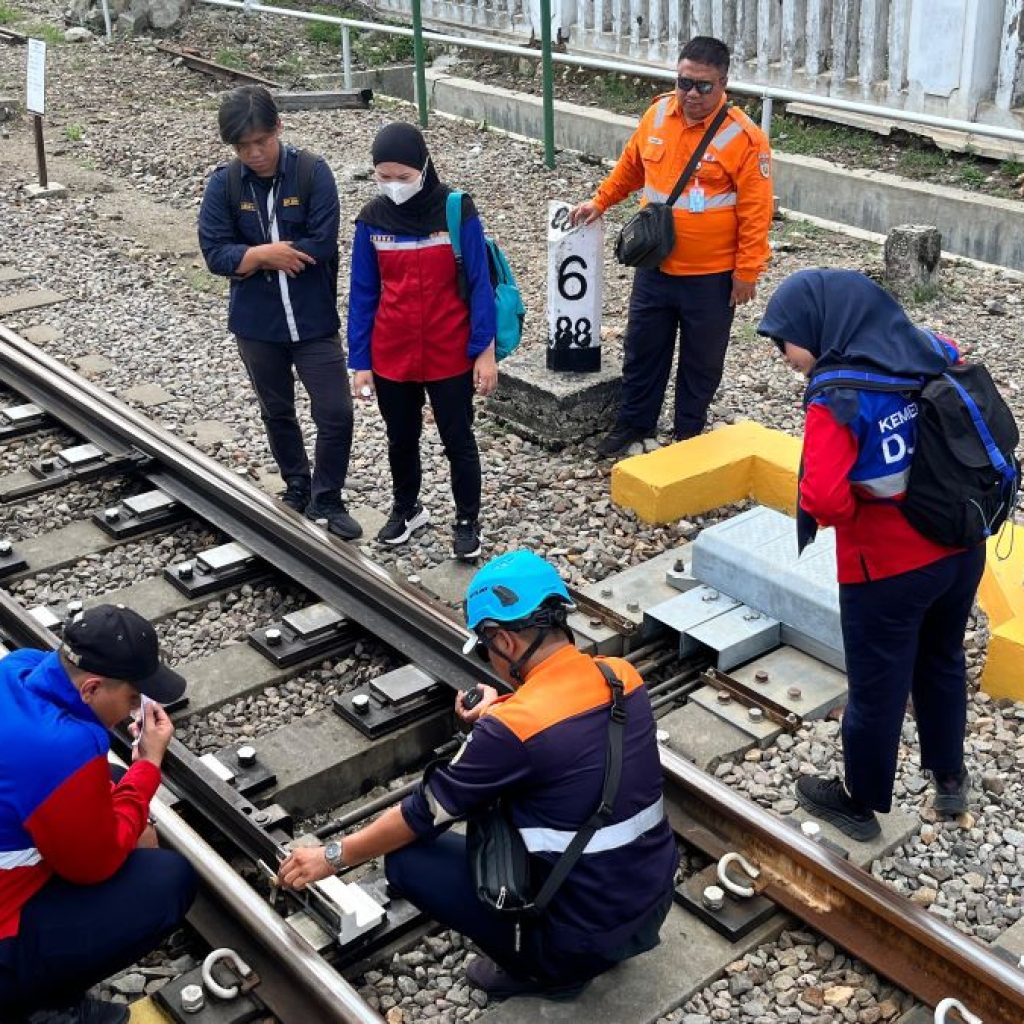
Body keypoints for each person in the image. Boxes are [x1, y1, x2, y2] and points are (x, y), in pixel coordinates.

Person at [278, 550, 677, 997]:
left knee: (408, 860)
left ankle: (548, 974)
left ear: (504, 641)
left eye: (487, 649)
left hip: (576, 941)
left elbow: (421, 814)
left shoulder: (512, 730)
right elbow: (566, 729)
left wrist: (332, 856)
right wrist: (500, 712)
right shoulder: (621, 676)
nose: (490, 660)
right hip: (651, 903)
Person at [757, 269, 987, 841]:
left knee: (877, 685)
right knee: (941, 656)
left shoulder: (837, 395)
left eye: (785, 341)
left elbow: (823, 498)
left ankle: (859, 803)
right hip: (961, 545)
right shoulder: (929, 348)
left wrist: (857, 510)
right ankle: (949, 778)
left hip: (887, 569)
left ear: (820, 326)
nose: (784, 357)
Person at [570, 35, 774, 458]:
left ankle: (687, 435)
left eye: (703, 86)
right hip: (656, 266)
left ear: (723, 85)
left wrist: (747, 271)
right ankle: (634, 425)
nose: (692, 94)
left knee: (702, 362)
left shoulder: (745, 139)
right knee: (642, 350)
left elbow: (756, 212)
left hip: (712, 277)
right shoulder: (658, 114)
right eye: (684, 82)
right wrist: (600, 201)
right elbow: (631, 167)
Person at [0, 604, 198, 1024]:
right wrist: (148, 765)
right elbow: (95, 865)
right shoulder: (60, 749)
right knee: (168, 880)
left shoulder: (19, 668)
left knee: (110, 780)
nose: (132, 710)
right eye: (132, 698)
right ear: (91, 688)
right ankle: (33, 1009)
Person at [198, 85, 361, 540]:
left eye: (261, 142)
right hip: (256, 325)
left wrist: (250, 258)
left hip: (313, 320)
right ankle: (297, 485)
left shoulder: (312, 172)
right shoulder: (224, 185)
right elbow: (215, 253)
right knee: (277, 410)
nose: (254, 153)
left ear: (278, 129)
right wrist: (263, 255)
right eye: (242, 146)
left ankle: (327, 497)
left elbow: (321, 243)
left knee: (336, 411)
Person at [347, 122, 497, 561]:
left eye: (404, 176)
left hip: (449, 351)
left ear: (424, 168)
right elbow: (363, 293)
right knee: (400, 437)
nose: (394, 185)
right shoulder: (371, 219)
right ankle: (407, 508)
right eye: (384, 177)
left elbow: (480, 284)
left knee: (458, 439)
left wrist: (484, 352)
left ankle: (467, 519)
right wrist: (361, 362)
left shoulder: (457, 210)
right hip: (392, 353)